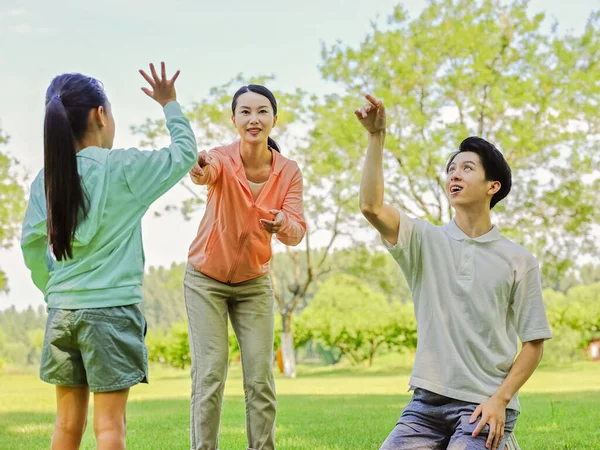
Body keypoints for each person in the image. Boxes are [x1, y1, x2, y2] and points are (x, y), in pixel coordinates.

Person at [355, 94, 552, 450]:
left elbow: (534, 343)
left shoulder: (518, 259)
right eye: (451, 169)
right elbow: (371, 206)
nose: (454, 175)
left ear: (492, 187)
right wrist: (376, 137)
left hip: (485, 403)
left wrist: (500, 400)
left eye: (466, 168)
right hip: (425, 404)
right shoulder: (423, 240)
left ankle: (500, 438)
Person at [20, 63, 197, 450]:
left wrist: (52, 285)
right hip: (112, 314)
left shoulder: (46, 179)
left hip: (62, 314)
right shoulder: (125, 169)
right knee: (110, 428)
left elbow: (30, 245)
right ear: (101, 115)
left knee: (66, 427)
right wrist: (169, 104)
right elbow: (185, 153)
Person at [184, 84, 307, 450]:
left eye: (262, 111)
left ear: (273, 118)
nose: (254, 119)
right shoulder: (223, 157)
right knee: (209, 374)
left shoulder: (289, 172)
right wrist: (199, 166)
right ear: (235, 118)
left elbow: (297, 231)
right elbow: (206, 172)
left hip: (254, 284)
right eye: (246, 112)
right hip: (205, 280)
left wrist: (281, 223)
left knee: (260, 379)